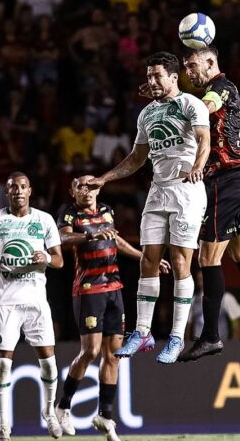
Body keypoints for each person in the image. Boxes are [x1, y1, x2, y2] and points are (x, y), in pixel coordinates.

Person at [90, 51, 211, 364]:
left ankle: (176, 338)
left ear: (173, 77)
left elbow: (204, 140)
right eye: (149, 76)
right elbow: (136, 158)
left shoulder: (190, 104)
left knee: (181, 263)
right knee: (148, 260)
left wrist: (198, 165)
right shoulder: (146, 114)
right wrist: (104, 178)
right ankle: (143, 332)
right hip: (158, 192)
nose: (152, 81)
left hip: (187, 192)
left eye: (158, 76)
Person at [178, 46, 240, 362]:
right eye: (185, 67)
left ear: (211, 62)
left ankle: (210, 336)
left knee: (207, 257)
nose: (189, 71)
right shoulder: (221, 89)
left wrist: (168, 100)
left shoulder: (220, 87)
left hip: (228, 179)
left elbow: (202, 109)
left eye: (192, 65)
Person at [55, 175, 170, 441]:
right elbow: (63, 239)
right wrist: (91, 234)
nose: (85, 189)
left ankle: (105, 416)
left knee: (114, 355)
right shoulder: (69, 215)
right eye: (79, 186)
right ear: (73, 193)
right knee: (91, 351)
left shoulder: (107, 211)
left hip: (114, 289)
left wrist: (145, 257)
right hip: (88, 289)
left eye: (89, 184)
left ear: (98, 188)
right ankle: (63, 406)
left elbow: (116, 241)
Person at [0, 171, 65, 440]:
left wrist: (45, 256)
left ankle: (49, 413)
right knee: (3, 366)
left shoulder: (43, 220)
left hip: (35, 302)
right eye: (13, 187)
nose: (18, 191)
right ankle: (3, 426)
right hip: (5, 303)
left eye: (22, 187)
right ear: (6, 192)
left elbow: (59, 261)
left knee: (49, 364)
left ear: (30, 191)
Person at [187, 269, 240, 342]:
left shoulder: (225, 297)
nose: (203, 282)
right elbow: (188, 324)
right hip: (198, 347)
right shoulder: (192, 300)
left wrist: (233, 342)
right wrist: (186, 344)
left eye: (205, 278)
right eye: (200, 279)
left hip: (219, 349)